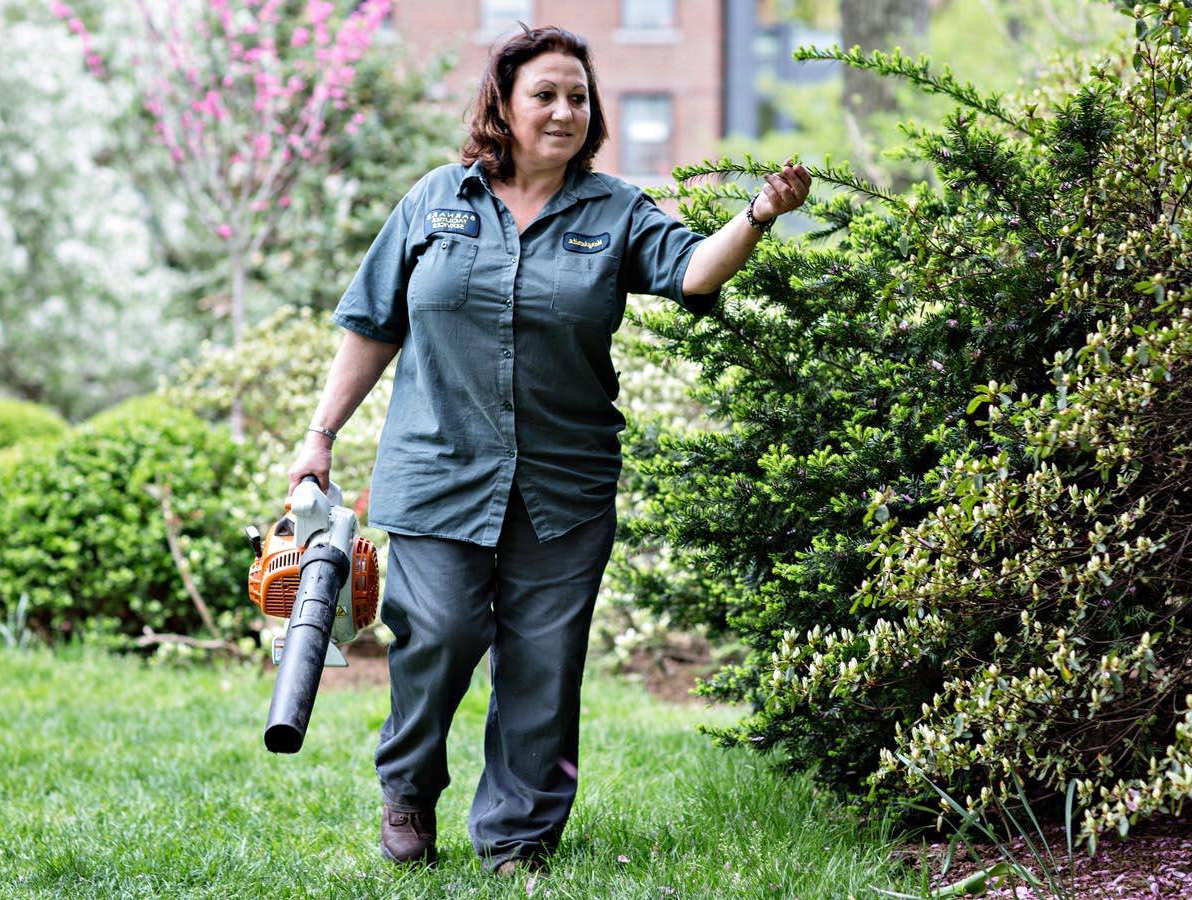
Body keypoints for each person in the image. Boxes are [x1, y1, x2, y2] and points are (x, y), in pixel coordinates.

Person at [286, 25, 810, 875]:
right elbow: (372, 322)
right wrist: (319, 437)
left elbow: (693, 273)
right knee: (442, 634)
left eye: (578, 96)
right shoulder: (435, 201)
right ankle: (409, 788)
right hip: (436, 471)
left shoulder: (615, 211)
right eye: (546, 95)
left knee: (543, 662)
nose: (566, 110)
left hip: (563, 482)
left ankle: (518, 838)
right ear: (504, 103)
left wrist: (757, 214)